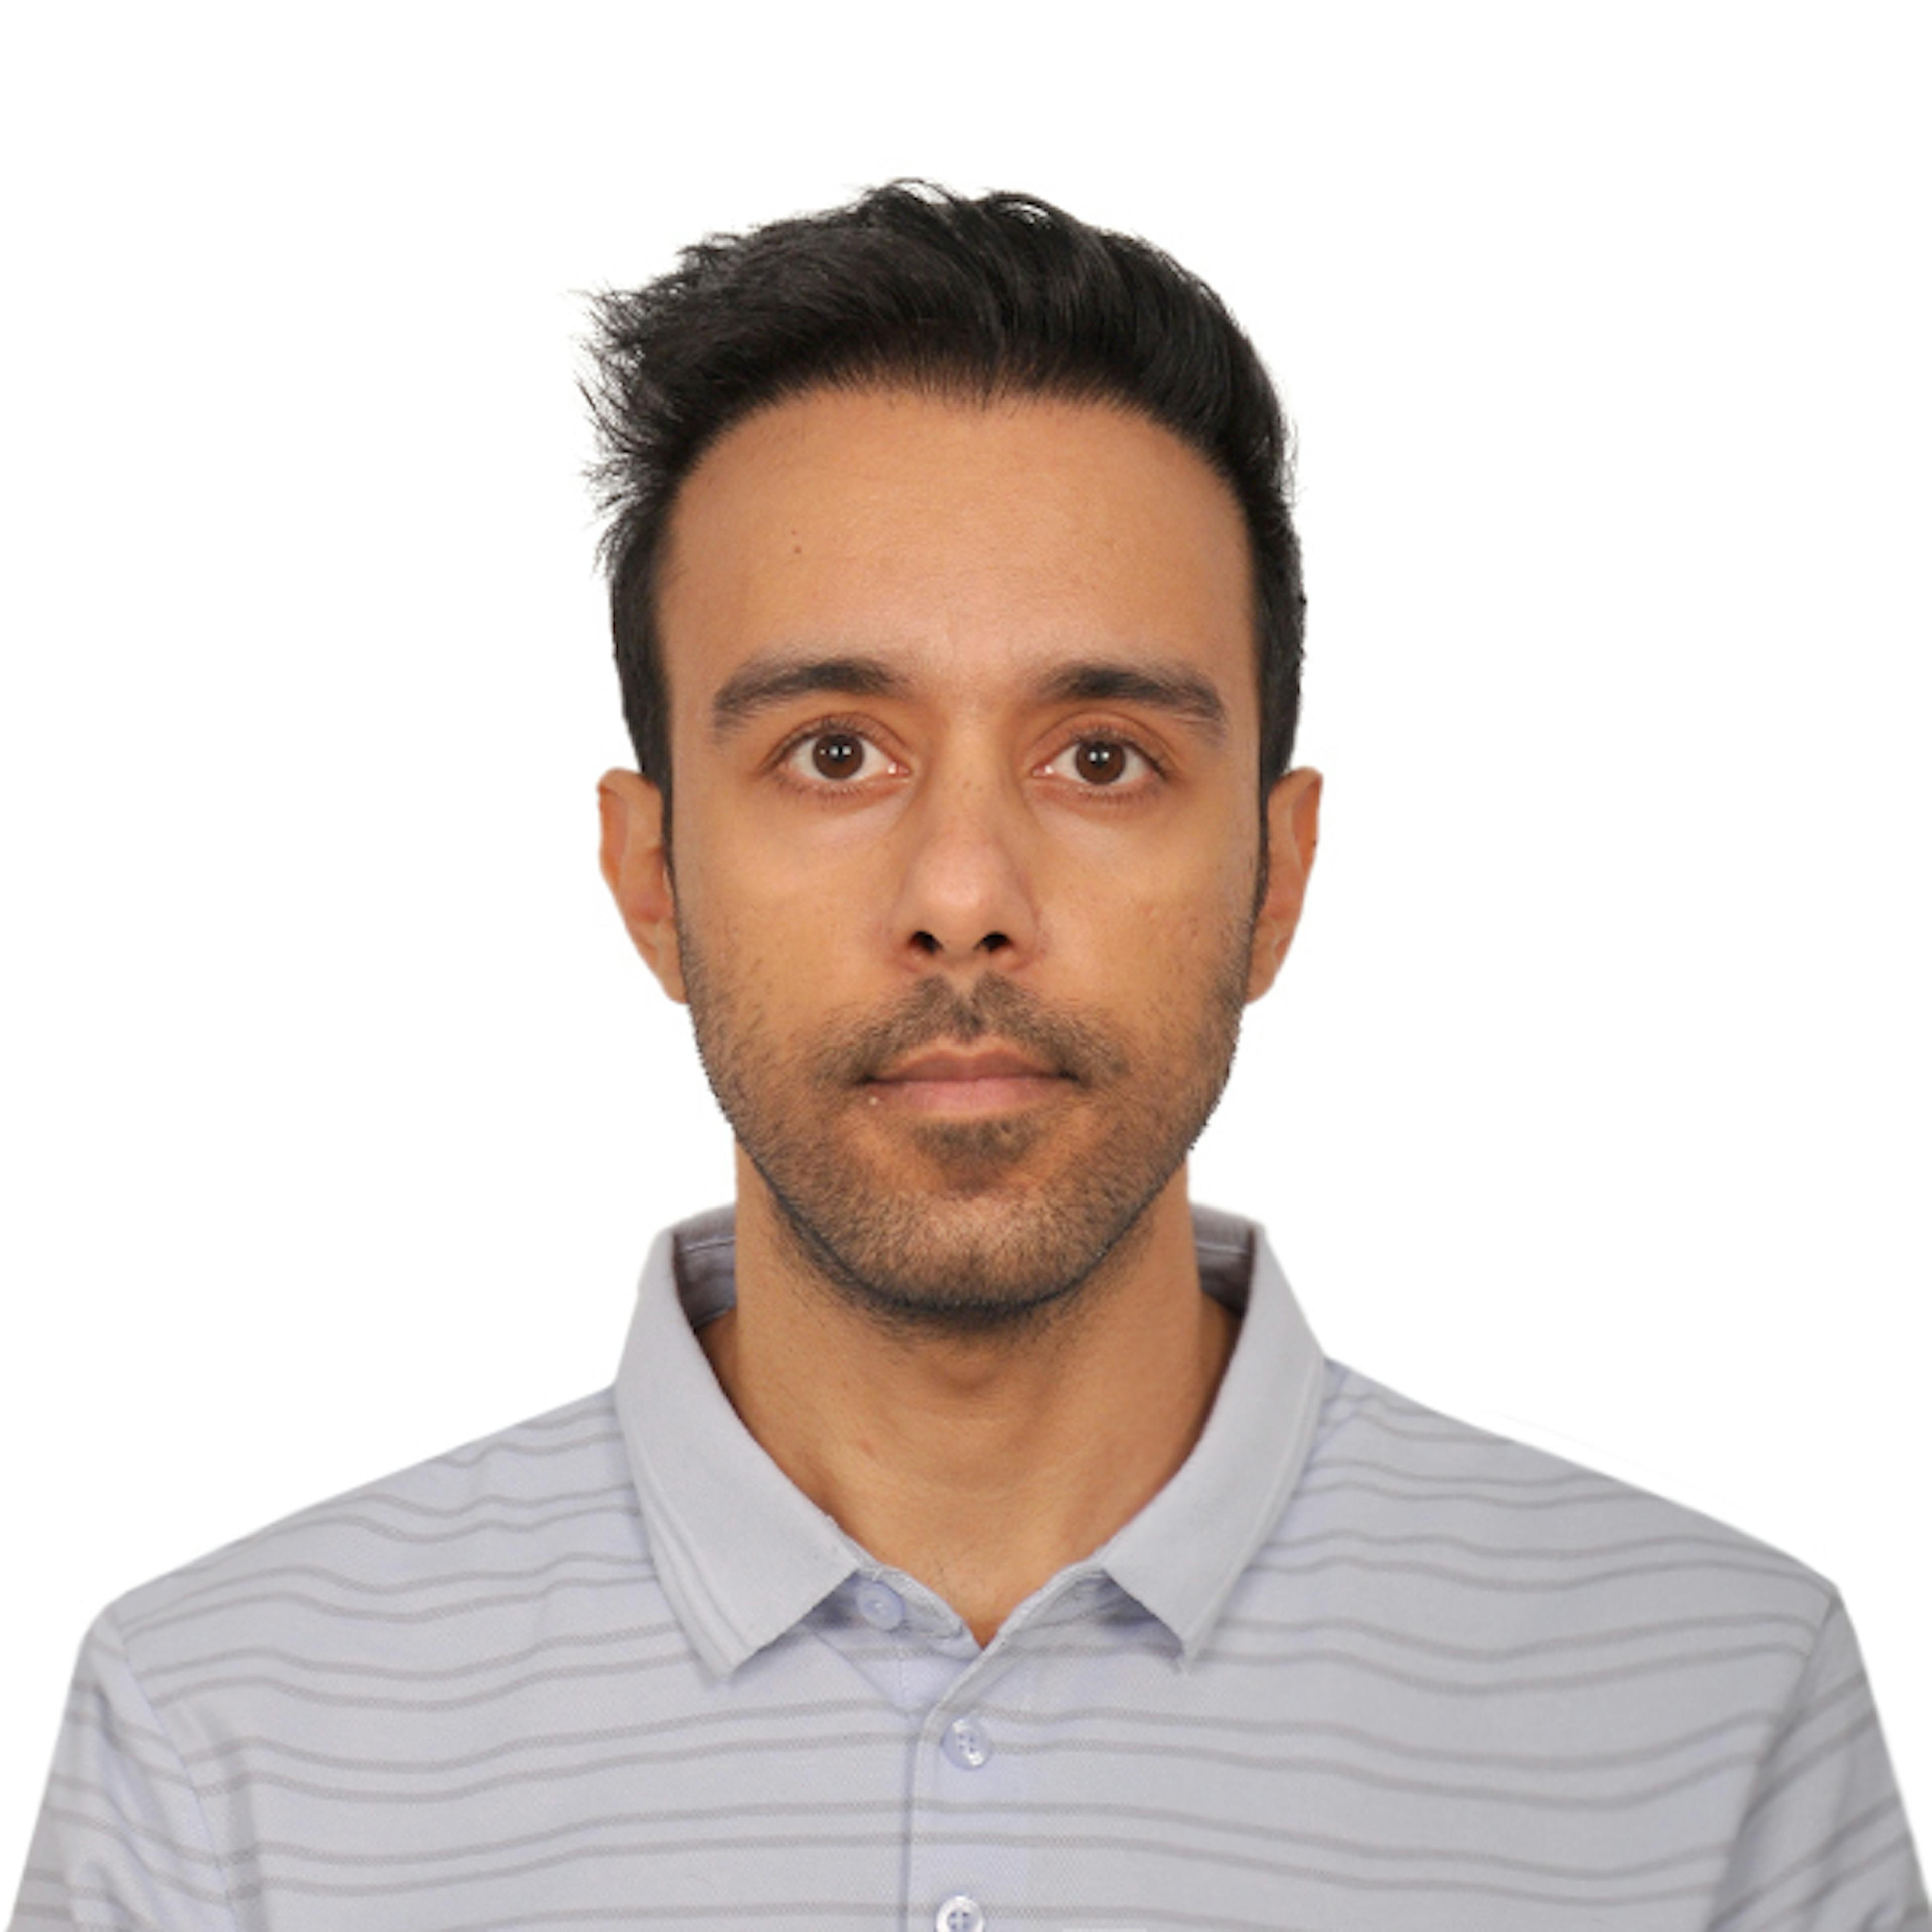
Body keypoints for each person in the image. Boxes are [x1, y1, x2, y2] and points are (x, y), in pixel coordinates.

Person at [11, 183, 1924, 1932]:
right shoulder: (223, 1754)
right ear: (651, 875)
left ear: (1276, 878)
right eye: (836, 752)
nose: (963, 899)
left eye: (1102, 757)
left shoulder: (1716, 1722)